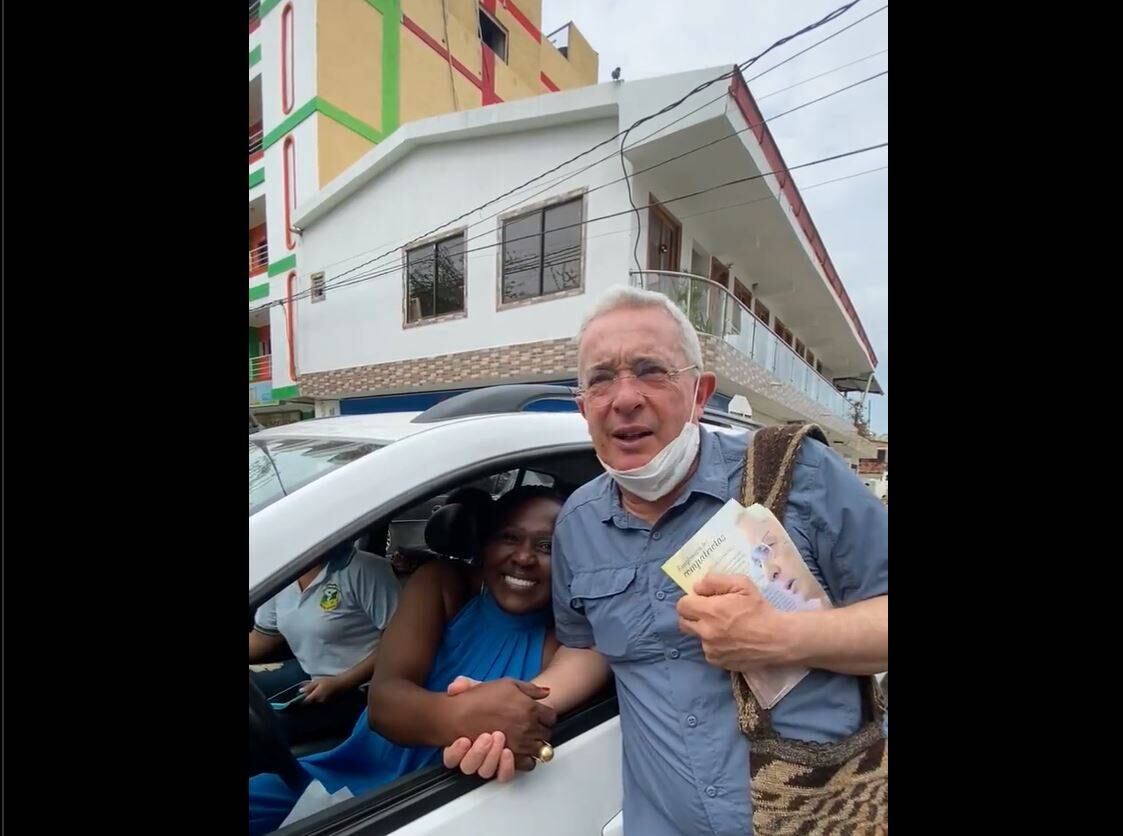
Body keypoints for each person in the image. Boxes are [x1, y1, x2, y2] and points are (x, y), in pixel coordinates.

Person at [444, 286, 888, 835]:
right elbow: (588, 647)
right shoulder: (577, 524)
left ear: (699, 393)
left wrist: (780, 637)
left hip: (820, 814)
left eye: (651, 371)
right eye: (601, 379)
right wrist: (505, 710)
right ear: (584, 408)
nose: (624, 397)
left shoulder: (798, 474)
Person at [249, 486, 566, 835]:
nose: (523, 557)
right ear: (485, 544)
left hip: (432, 804)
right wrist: (462, 715)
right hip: (344, 772)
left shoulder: (566, 643)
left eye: (547, 546)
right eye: (508, 537)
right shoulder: (443, 584)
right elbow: (384, 705)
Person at [248, 537, 401, 748]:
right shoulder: (285, 573)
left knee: (258, 729)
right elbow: (264, 637)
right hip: (311, 676)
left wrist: (342, 682)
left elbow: (400, 641)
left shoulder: (364, 570)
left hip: (363, 691)